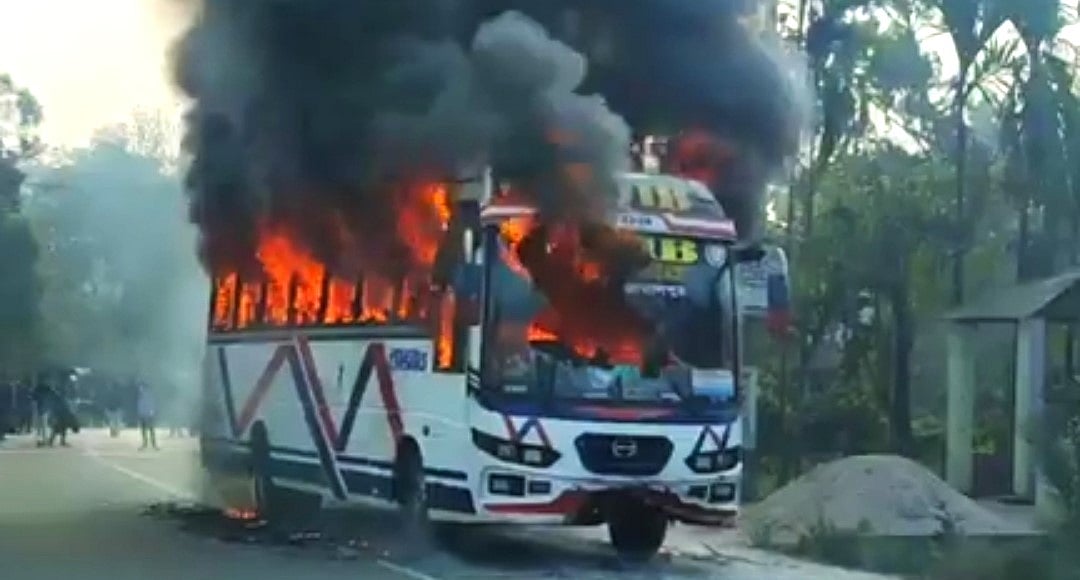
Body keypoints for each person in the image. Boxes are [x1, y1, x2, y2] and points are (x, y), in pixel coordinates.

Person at [136, 381, 159, 450]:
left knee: (150, 430)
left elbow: (151, 405)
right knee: (144, 431)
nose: (140, 389)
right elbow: (140, 406)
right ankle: (146, 444)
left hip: (148, 415)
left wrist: (151, 412)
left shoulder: (147, 395)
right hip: (143, 415)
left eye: (141, 387)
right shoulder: (141, 396)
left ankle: (153, 444)